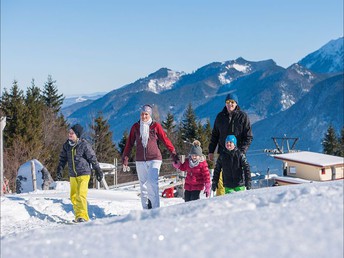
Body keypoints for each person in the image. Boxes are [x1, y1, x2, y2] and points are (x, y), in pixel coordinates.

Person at [122, 104, 178, 209]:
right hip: (140, 160)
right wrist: (125, 157)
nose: (144, 117)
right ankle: (146, 209)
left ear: (150, 115)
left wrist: (173, 153)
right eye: (142, 114)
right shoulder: (135, 127)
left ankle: (155, 208)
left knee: (152, 182)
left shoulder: (155, 126)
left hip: (155, 158)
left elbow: (165, 140)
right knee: (143, 185)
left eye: (146, 114)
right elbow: (129, 143)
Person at [56, 124, 103, 223]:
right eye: (69, 132)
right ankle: (78, 216)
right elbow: (62, 159)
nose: (70, 134)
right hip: (73, 174)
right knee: (73, 196)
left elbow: (92, 158)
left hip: (84, 173)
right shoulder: (66, 145)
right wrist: (60, 168)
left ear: (77, 134)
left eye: (72, 133)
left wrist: (98, 170)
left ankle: (83, 217)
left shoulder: (84, 145)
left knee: (81, 194)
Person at [208, 93, 253, 195]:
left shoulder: (243, 117)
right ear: (225, 103)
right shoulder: (220, 117)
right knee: (221, 179)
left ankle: (238, 198)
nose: (230, 104)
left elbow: (249, 136)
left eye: (232, 102)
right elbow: (214, 135)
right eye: (228, 102)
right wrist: (211, 151)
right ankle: (221, 200)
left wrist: (242, 151)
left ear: (236, 103)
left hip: (238, 154)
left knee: (237, 179)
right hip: (222, 153)